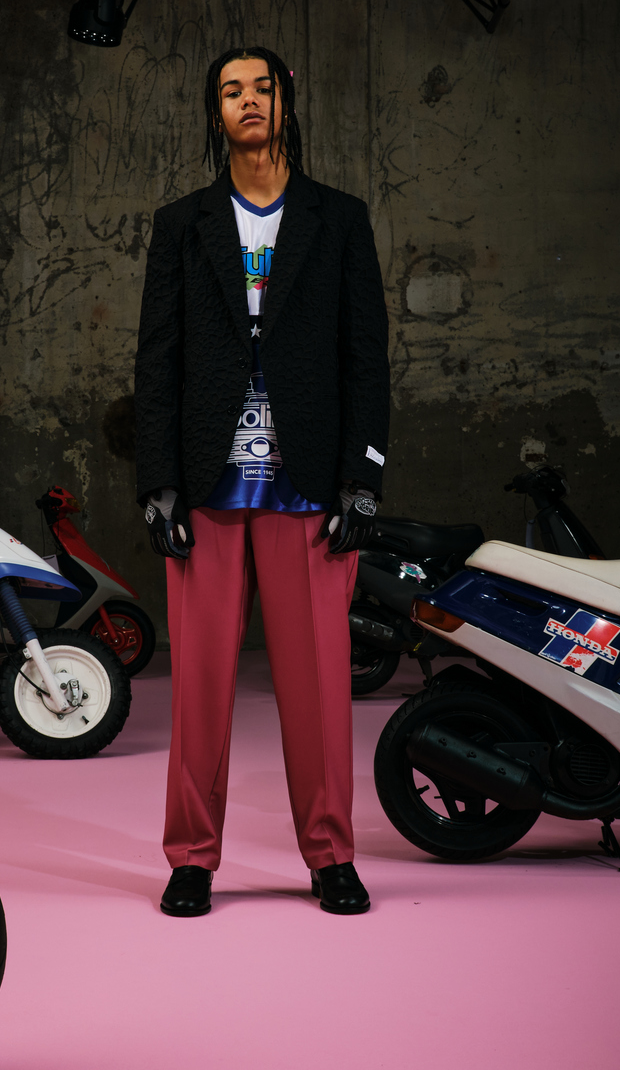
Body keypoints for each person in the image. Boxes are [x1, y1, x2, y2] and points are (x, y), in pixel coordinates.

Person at [134, 45, 389, 916]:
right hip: (207, 490)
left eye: (262, 86)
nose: (248, 100)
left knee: (319, 695)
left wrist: (363, 479)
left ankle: (331, 856)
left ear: (287, 101)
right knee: (199, 693)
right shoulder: (182, 223)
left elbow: (366, 359)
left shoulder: (339, 218)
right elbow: (157, 361)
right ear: (216, 113)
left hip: (308, 489)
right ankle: (190, 859)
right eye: (230, 90)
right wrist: (158, 483)